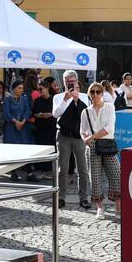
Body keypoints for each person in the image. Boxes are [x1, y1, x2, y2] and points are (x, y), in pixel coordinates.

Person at [81, 83, 121, 218]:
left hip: (107, 144)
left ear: (102, 93)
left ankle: (118, 209)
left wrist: (91, 137)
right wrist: (85, 139)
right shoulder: (86, 111)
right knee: (95, 178)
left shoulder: (110, 107)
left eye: (98, 92)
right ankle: (100, 208)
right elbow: (82, 131)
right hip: (92, 147)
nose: (95, 94)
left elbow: (109, 128)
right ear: (89, 94)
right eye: (93, 92)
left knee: (116, 175)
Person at [53, 70, 90, 210]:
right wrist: (66, 99)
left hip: (79, 135)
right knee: (63, 169)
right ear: (64, 82)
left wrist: (76, 100)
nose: (70, 83)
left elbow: (86, 114)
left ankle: (84, 198)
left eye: (73, 81)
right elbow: (56, 114)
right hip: (63, 135)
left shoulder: (84, 97)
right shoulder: (58, 97)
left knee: (83, 169)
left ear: (76, 81)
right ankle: (61, 197)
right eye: (68, 81)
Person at [2, 79, 35, 181]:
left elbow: (27, 111)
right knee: (13, 149)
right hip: (11, 128)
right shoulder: (8, 99)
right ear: (14, 89)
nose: (21, 90)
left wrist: (23, 121)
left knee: (25, 148)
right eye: (19, 88)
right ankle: (14, 172)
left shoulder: (24, 99)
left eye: (22, 88)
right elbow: (6, 113)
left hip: (23, 128)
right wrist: (16, 122)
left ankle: (29, 172)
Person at [31, 78, 57, 157]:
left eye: (41, 89)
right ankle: (41, 166)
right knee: (41, 147)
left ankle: (50, 166)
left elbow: (58, 112)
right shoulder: (37, 101)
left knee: (51, 147)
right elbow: (33, 113)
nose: (39, 91)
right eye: (38, 89)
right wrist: (39, 115)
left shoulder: (54, 99)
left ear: (47, 88)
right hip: (40, 128)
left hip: (51, 128)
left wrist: (51, 114)